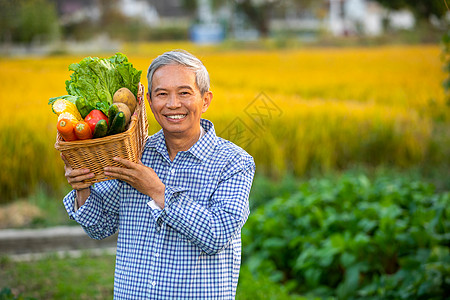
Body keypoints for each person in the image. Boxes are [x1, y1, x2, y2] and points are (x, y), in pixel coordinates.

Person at [61, 50, 256, 299]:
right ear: (150, 102)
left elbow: (216, 234)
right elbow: (100, 227)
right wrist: (83, 187)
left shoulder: (234, 162)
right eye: (162, 94)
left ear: (205, 100)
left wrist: (157, 190)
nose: (173, 104)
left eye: (184, 93)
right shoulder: (134, 154)